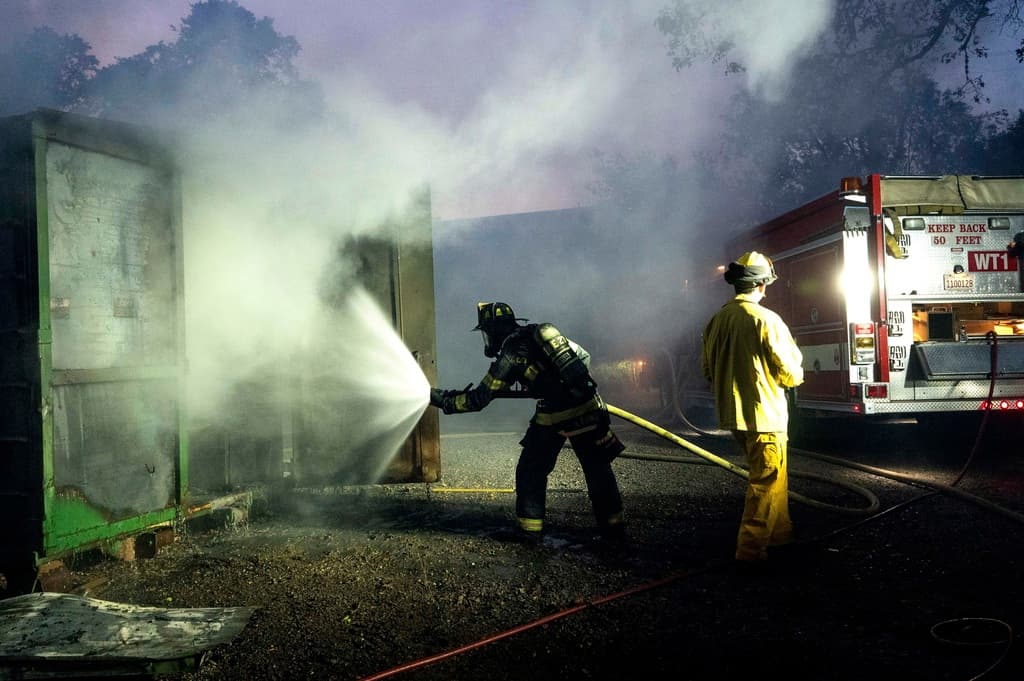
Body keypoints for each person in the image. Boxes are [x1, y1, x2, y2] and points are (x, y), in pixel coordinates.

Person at [430, 302, 626, 543]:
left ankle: (529, 532)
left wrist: (441, 400)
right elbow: (582, 359)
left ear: (493, 330)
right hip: (590, 408)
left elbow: (478, 399)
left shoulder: (511, 354)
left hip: (555, 416)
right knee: (598, 471)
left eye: (486, 332)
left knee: (531, 470)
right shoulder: (538, 334)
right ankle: (614, 531)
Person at [701, 251, 804, 569]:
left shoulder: (717, 319)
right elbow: (790, 374)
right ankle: (750, 552)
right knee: (765, 482)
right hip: (765, 416)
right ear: (761, 284)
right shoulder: (766, 320)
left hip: (736, 416)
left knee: (776, 478)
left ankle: (780, 537)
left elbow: (707, 369)